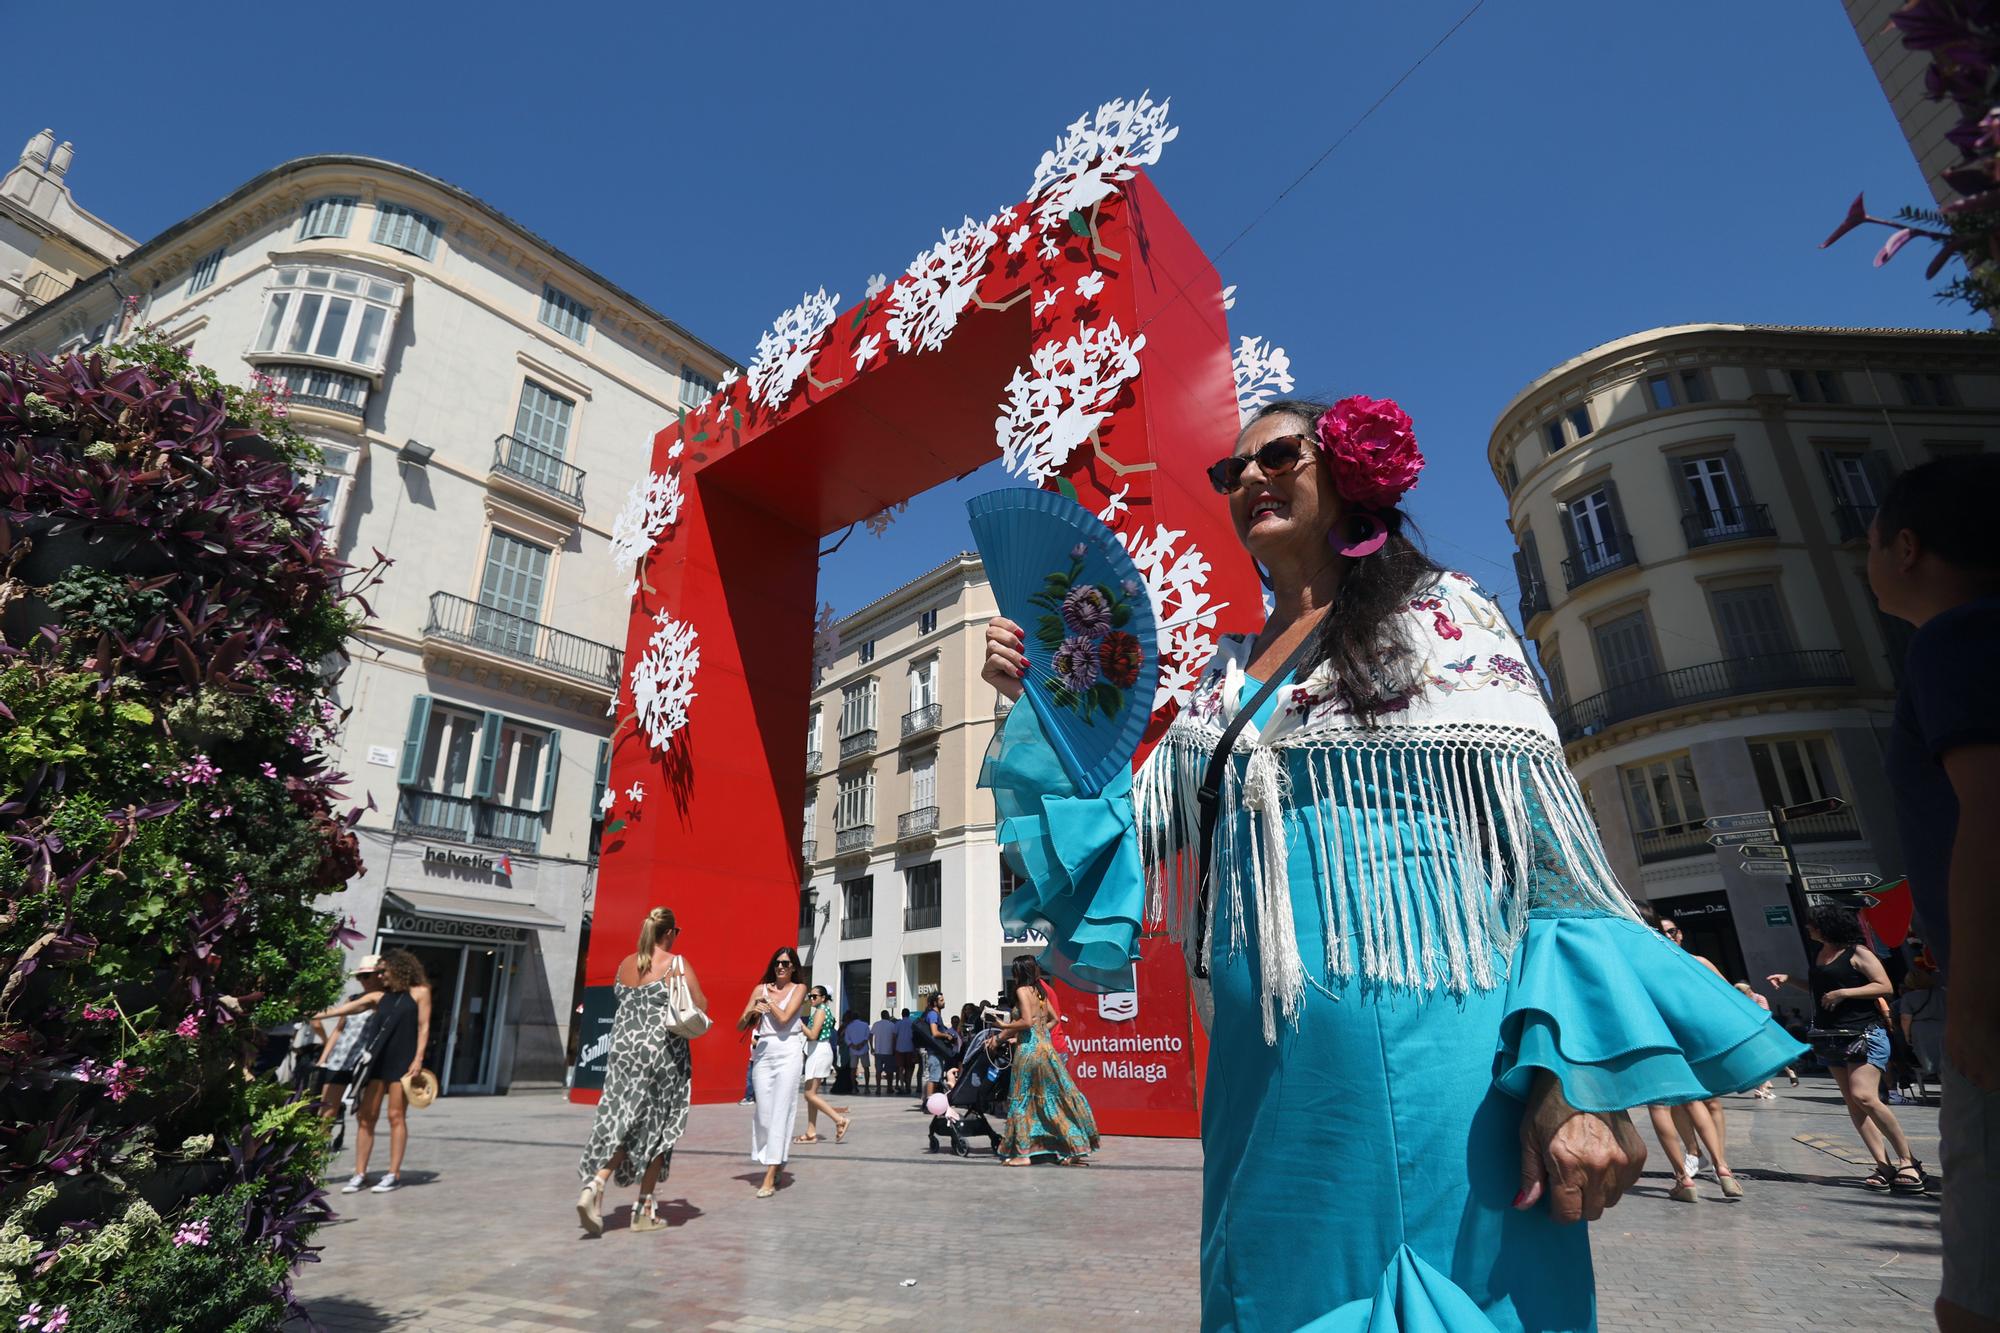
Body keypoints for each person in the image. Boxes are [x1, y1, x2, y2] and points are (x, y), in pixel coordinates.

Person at [980, 397, 1803, 1328]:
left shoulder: (1448, 620)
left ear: (1346, 471)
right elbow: (1122, 847)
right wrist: (1043, 704)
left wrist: (1567, 1080)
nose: (1248, 478)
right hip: (1265, 1095)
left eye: (1278, 455)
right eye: (1230, 471)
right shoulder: (1222, 678)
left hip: (1441, 1079)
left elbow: (1553, 872)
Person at [1867, 453, 2000, 1333]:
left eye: (1869, 544)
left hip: (1995, 1010)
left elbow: (1991, 812)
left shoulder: (1957, 637)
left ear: (1907, 547)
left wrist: (1978, 1008)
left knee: (1977, 1297)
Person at [1767, 905, 1927, 1195]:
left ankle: (1909, 1161)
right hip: (1830, 1037)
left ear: (1829, 925)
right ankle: (1883, 1165)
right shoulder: (1819, 954)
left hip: (1864, 1032)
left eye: (1813, 924)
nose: (1808, 928)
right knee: (1853, 1104)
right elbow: (1820, 992)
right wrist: (1790, 980)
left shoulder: (1859, 952)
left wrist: (1845, 993)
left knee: (1863, 1095)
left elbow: (1884, 986)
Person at [575, 907, 704, 1236]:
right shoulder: (675, 964)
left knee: (622, 1120)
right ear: (670, 933)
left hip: (621, 1054)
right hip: (659, 1055)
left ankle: (606, 1189)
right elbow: (700, 1006)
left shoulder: (625, 964)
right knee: (657, 1131)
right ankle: (611, 1190)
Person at [318, 947, 431, 1195]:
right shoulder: (380, 997)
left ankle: (393, 1173)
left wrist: (418, 1059)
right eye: (378, 972)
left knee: (395, 1116)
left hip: (403, 1061)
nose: (380, 976)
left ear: (398, 968)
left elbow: (423, 1027)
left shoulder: (420, 993)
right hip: (377, 1060)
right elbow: (345, 1010)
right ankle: (360, 1173)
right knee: (366, 1116)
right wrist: (310, 1013)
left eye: (383, 971)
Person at [987, 956, 1098, 1165]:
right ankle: (1072, 1149)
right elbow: (1053, 1019)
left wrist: (1004, 1026)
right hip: (1046, 1049)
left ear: (1019, 972)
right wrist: (1038, 1034)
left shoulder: (1021, 991)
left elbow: (1026, 1021)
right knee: (1055, 1098)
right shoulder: (1040, 991)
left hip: (1029, 1052)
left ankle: (1023, 1154)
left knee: (1022, 1100)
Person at [738, 947, 806, 1198]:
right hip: (764, 1052)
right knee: (764, 1114)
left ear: (794, 968)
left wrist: (769, 1003)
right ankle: (776, 1159)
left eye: (786, 964)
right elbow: (740, 1023)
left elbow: (785, 1019)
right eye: (778, 962)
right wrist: (753, 1011)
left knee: (781, 1111)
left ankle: (771, 1173)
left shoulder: (799, 989)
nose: (781, 967)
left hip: (788, 1050)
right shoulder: (760, 989)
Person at [314, 957, 386, 1149]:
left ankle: (360, 1170)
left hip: (364, 1062)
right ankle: (316, 1158)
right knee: (327, 1110)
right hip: (340, 1057)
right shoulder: (353, 998)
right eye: (360, 977)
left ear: (379, 976)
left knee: (364, 1114)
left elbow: (334, 1013)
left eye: (366, 976)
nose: (363, 980)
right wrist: (324, 1057)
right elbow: (339, 1029)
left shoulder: (382, 1000)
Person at [795, 985, 850, 1144]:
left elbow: (813, 1034)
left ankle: (840, 1120)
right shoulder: (821, 1010)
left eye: (814, 996)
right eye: (810, 996)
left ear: (823, 998)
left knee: (809, 1094)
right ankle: (811, 1132)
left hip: (819, 1051)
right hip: (817, 1051)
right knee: (811, 1095)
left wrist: (800, 1024)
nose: (811, 999)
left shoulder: (820, 1011)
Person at [1900, 957, 1948, 1104]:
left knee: (1928, 1060)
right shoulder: (1942, 993)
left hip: (1921, 1031)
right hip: (1943, 1027)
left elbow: (1905, 1019)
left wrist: (1907, 1036)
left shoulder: (1909, 997)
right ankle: (1947, 1090)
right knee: (1944, 1060)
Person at [1733, 983, 1779, 1100]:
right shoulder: (1743, 1000)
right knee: (1761, 1061)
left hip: (1754, 1032)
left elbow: (1763, 1013)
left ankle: (1762, 1089)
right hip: (1752, 1033)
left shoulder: (1756, 998)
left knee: (1761, 1060)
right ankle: (1761, 1089)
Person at [842, 1011, 873, 1093]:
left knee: (853, 1069)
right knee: (866, 1068)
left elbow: (846, 1039)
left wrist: (853, 1046)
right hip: (863, 1049)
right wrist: (861, 1044)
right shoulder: (865, 1025)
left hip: (853, 1050)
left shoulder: (849, 1026)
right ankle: (866, 1087)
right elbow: (867, 1036)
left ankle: (854, 1088)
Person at [869, 1009, 897, 1094]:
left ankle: (878, 1088)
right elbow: (894, 1037)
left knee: (878, 1071)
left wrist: (872, 1047)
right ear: (888, 1016)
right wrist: (894, 1048)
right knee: (890, 1071)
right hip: (889, 1051)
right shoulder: (892, 1025)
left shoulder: (876, 1024)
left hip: (878, 1051)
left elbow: (870, 1035)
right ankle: (889, 1087)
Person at [894, 1007, 916, 1094]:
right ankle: (908, 1086)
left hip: (899, 1048)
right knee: (909, 1068)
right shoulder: (912, 1023)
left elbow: (894, 1036)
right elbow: (914, 1037)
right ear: (909, 1014)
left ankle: (902, 1086)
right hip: (910, 1048)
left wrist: (894, 1046)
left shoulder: (898, 1023)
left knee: (900, 1068)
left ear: (902, 1014)